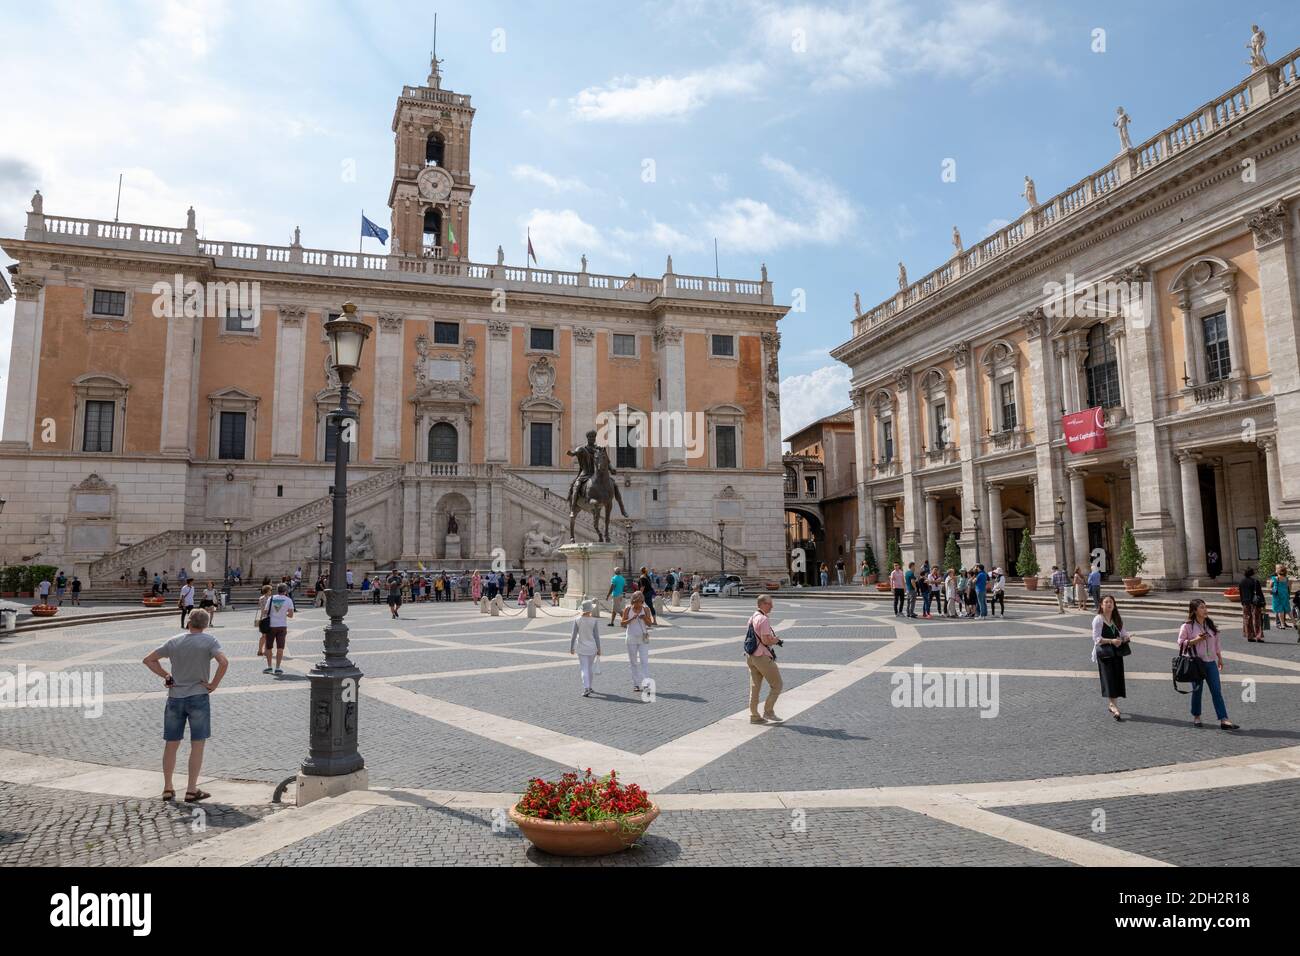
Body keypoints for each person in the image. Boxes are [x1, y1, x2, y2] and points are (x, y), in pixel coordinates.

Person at [142, 608, 228, 804]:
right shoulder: (210, 641)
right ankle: (191, 789)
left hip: (175, 697)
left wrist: (166, 675)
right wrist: (213, 684)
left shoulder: (175, 641)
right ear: (206, 625)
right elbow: (223, 662)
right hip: (198, 695)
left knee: (171, 744)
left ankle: (167, 787)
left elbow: (148, 660)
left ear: (188, 622)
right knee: (197, 744)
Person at [1178, 599, 1239, 730]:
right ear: (1194, 611)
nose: (1205, 610)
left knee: (1216, 691)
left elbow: (1216, 644)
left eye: (1205, 607)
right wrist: (1197, 640)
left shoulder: (1210, 624)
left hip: (1211, 663)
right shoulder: (1187, 626)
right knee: (1197, 691)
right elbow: (1181, 642)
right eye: (1201, 608)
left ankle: (1224, 719)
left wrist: (1220, 658)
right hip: (1196, 663)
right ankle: (1197, 716)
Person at [745, 594, 784, 724]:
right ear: (762, 604)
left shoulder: (752, 617)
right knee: (777, 684)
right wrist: (775, 640)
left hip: (751, 656)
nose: (772, 606)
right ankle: (768, 711)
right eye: (769, 603)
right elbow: (766, 640)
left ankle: (754, 716)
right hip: (762, 656)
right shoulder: (763, 619)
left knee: (755, 687)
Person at [1091, 594, 1130, 721]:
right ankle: (1114, 706)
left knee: (1117, 678)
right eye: (1106, 602)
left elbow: (1124, 634)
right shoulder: (1098, 619)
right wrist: (1111, 641)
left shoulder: (1117, 619)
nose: (1109, 604)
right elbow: (1096, 639)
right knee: (1109, 679)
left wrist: (1125, 638)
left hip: (1117, 653)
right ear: (1101, 605)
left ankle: (1112, 704)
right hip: (1105, 654)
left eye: (1111, 602)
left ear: (1114, 605)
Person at [621, 590, 655, 693]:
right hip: (631, 637)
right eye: (636, 602)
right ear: (633, 601)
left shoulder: (646, 609)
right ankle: (636, 684)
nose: (638, 604)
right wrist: (631, 619)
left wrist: (644, 617)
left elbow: (650, 624)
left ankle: (646, 684)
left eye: (640, 602)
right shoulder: (628, 609)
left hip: (643, 638)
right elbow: (622, 623)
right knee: (633, 662)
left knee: (644, 661)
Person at [570, 599, 602, 697]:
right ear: (590, 610)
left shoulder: (577, 620)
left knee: (584, 668)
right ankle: (590, 686)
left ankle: (586, 687)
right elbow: (596, 636)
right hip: (592, 647)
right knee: (590, 668)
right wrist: (599, 648)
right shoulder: (594, 620)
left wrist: (571, 647)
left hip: (581, 648)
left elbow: (573, 635)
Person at [263, 584, 294, 676]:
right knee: (280, 647)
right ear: (285, 591)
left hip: (271, 625)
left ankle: (269, 667)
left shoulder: (271, 598)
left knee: (269, 647)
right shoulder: (288, 600)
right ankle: (278, 668)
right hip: (282, 626)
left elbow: (265, 611)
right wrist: (284, 613)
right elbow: (291, 615)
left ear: (277, 590)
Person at [1269, 565, 1292, 630]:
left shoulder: (1284, 576)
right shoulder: (1274, 576)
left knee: (1283, 608)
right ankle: (1278, 623)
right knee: (1279, 609)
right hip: (1277, 594)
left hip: (1283, 593)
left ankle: (1283, 623)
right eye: (1278, 568)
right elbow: (1270, 586)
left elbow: (1287, 586)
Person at [254, 584, 273, 658]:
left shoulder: (261, 598)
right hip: (268, 618)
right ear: (268, 591)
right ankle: (265, 651)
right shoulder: (270, 599)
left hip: (262, 618)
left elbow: (260, 607)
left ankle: (260, 650)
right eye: (270, 590)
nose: (271, 591)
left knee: (263, 636)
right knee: (268, 636)